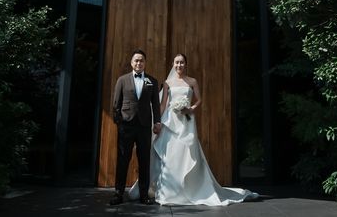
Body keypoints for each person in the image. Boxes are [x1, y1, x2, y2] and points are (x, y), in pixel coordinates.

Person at [151, 53, 258, 206]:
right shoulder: (168, 83)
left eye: (182, 62)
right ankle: (169, 192)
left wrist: (190, 108)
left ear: (186, 64)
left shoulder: (192, 81)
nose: (179, 65)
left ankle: (192, 188)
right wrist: (158, 122)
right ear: (173, 65)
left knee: (187, 152)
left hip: (187, 121)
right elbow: (163, 104)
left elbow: (199, 100)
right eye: (177, 62)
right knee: (171, 155)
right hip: (171, 123)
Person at [108, 49, 161, 206]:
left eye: (141, 60)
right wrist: (119, 122)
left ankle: (144, 195)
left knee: (144, 161)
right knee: (123, 159)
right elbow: (116, 104)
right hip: (126, 126)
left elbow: (155, 104)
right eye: (136, 60)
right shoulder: (122, 80)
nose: (139, 63)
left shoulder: (151, 81)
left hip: (144, 126)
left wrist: (157, 122)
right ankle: (118, 193)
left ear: (145, 63)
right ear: (131, 63)